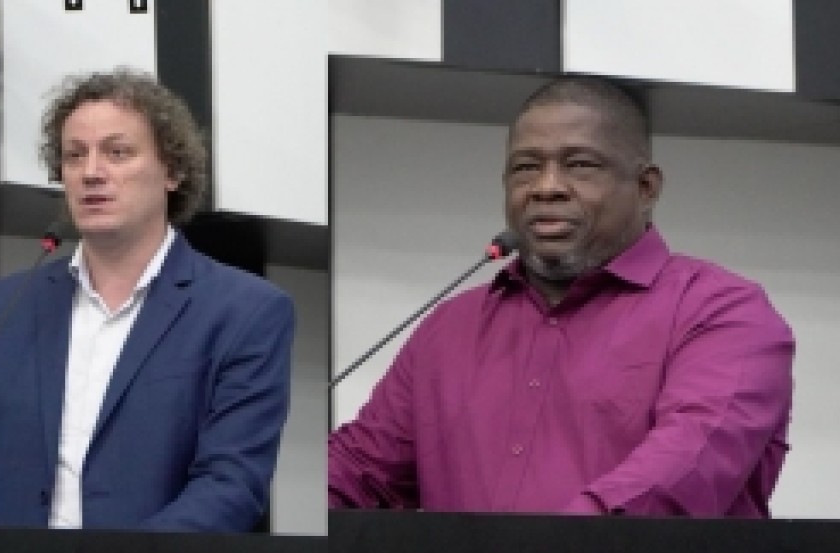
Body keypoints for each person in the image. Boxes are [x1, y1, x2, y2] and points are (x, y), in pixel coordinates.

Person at [328, 76, 794, 517]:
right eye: (525, 168)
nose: (545, 187)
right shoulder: (449, 326)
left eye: (579, 165)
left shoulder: (722, 312)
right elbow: (359, 471)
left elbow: (685, 470)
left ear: (646, 187)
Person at [0, 68, 295, 531]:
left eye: (117, 153)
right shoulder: (3, 308)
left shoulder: (246, 310)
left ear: (173, 171)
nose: (91, 173)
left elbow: (231, 486)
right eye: (74, 156)